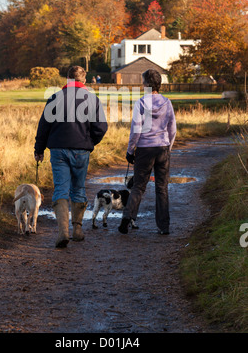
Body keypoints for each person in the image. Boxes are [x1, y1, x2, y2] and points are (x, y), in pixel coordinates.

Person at [34, 66, 108, 248]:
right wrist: (90, 143)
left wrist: (39, 149)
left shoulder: (55, 98)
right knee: (78, 188)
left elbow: (43, 126)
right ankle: (77, 229)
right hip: (81, 150)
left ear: (67, 79)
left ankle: (62, 232)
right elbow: (101, 127)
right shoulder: (92, 99)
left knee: (60, 189)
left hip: (58, 150)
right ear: (84, 80)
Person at [118, 69, 176, 235]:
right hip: (163, 148)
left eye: (143, 81)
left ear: (147, 84)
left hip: (144, 149)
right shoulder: (167, 103)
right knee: (162, 188)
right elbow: (173, 129)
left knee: (138, 187)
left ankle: (126, 219)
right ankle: (164, 227)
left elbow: (136, 130)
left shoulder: (141, 103)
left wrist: (130, 150)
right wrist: (168, 147)